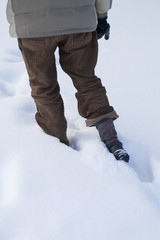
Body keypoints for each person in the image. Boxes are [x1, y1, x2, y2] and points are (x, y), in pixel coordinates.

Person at [6, 0, 129, 162]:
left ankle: (58, 145)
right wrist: (101, 17)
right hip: (78, 18)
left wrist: (17, 21)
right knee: (86, 79)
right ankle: (112, 140)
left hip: (32, 24)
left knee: (44, 86)